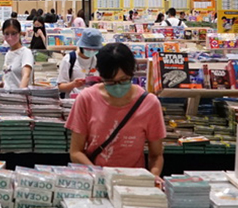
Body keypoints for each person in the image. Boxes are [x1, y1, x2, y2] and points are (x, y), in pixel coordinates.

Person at [66, 43, 166, 178]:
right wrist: (99, 176)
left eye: (124, 80)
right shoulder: (86, 99)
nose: (118, 87)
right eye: (110, 81)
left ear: (132, 72)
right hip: (96, 180)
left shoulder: (149, 103)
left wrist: (154, 177)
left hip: (133, 182)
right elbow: (76, 152)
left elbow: (156, 155)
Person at [58, 28, 104, 96]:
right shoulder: (69, 59)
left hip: (94, 99)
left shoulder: (98, 59)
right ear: (81, 47)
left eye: (95, 49)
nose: (92, 51)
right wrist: (73, 84)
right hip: (73, 100)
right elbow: (60, 87)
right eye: (88, 49)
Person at [1, 18, 34, 89]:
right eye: (7, 34)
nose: (10, 37)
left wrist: (18, 94)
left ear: (20, 33)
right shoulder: (8, 54)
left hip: (19, 97)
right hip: (7, 96)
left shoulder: (25, 52)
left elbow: (26, 75)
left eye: (13, 33)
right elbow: (8, 79)